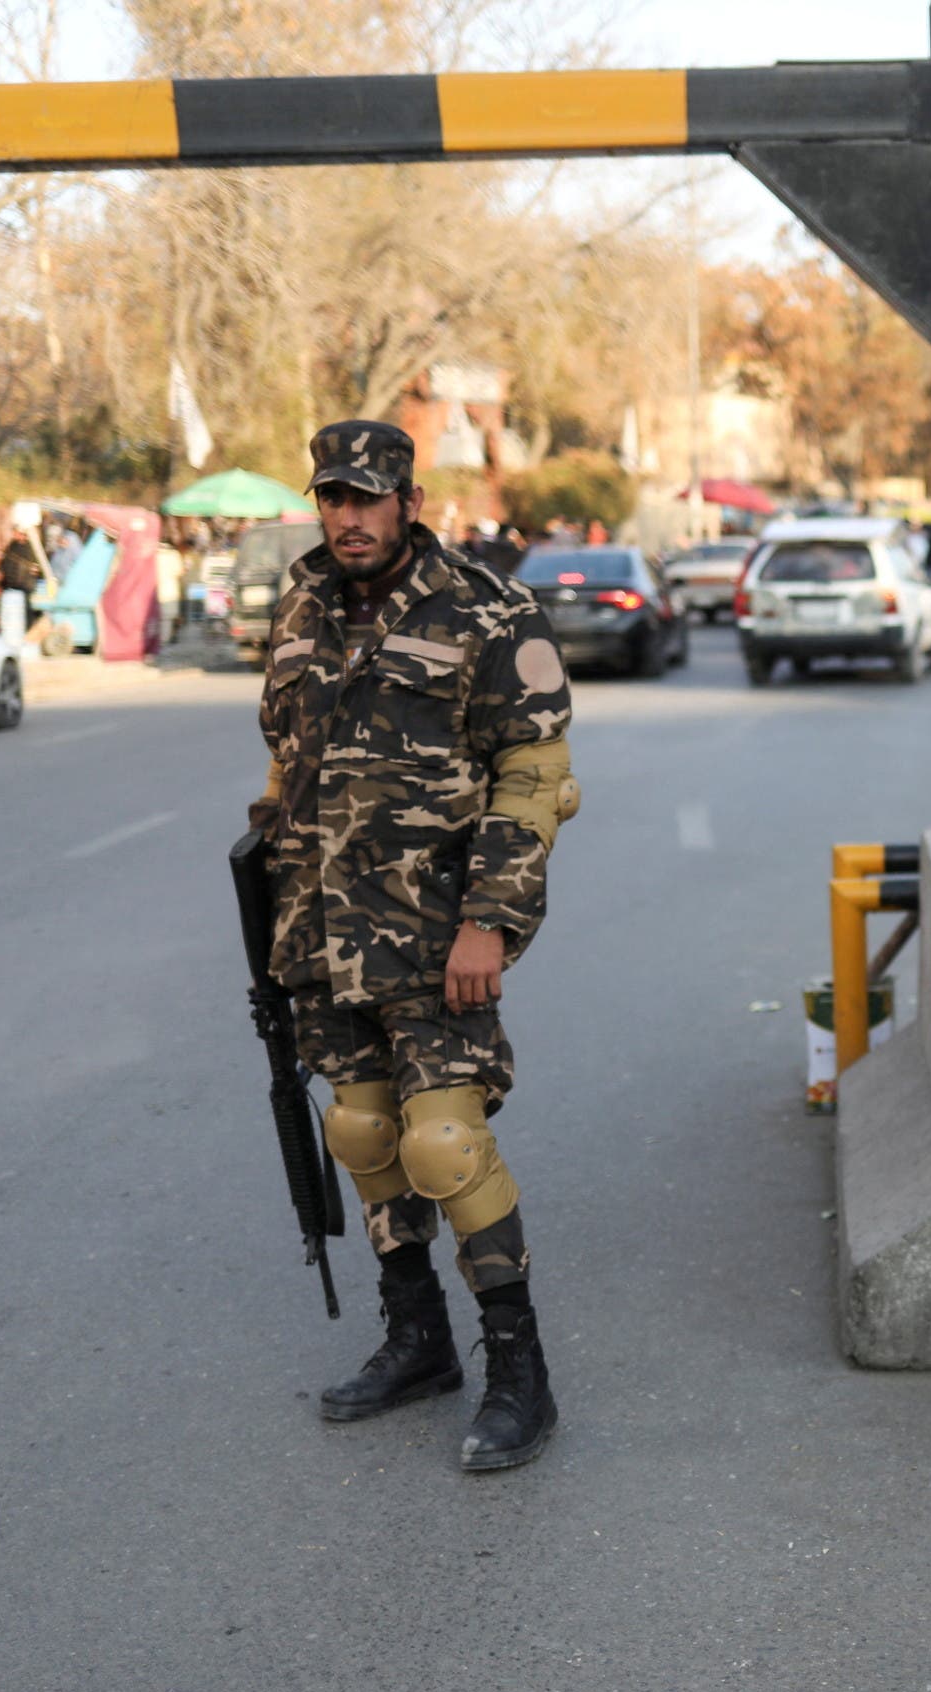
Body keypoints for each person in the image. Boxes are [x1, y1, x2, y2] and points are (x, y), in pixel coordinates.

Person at [248, 419, 578, 1471]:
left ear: (410, 501)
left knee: (444, 1142)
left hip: (438, 932)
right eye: (332, 498)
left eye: (367, 497)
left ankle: (519, 1373)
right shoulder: (299, 609)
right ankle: (417, 1339)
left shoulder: (489, 611)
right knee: (362, 1131)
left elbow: (530, 786)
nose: (347, 516)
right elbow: (282, 767)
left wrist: (489, 922)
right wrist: (272, 915)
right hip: (320, 928)